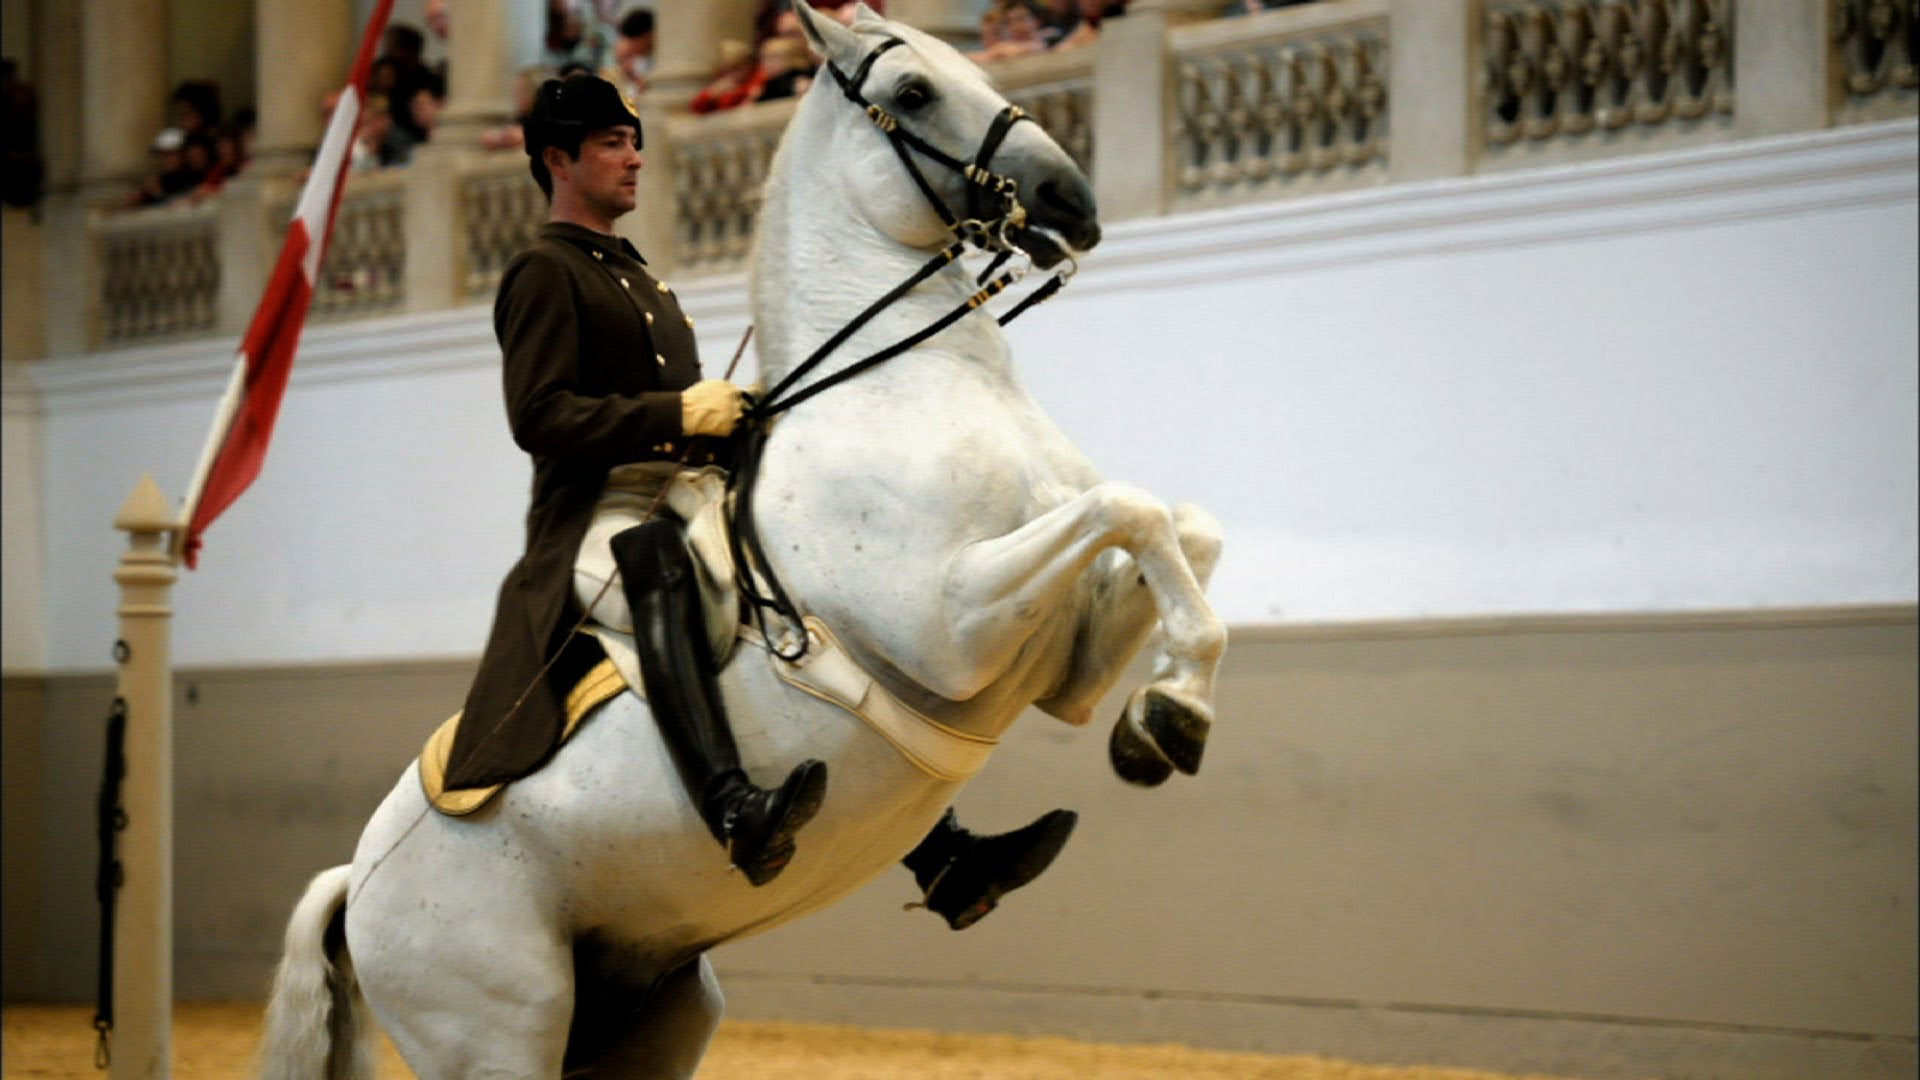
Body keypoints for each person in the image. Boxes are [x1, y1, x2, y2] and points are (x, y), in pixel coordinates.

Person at [449, 72, 1078, 921]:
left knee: (803, 561)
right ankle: (731, 806)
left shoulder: (635, 274)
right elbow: (541, 415)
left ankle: (942, 857)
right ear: (557, 159)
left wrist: (732, 417)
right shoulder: (542, 271)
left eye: (635, 142)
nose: (634, 159)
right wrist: (679, 413)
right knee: (657, 561)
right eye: (611, 145)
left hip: (681, 483)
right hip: (599, 514)